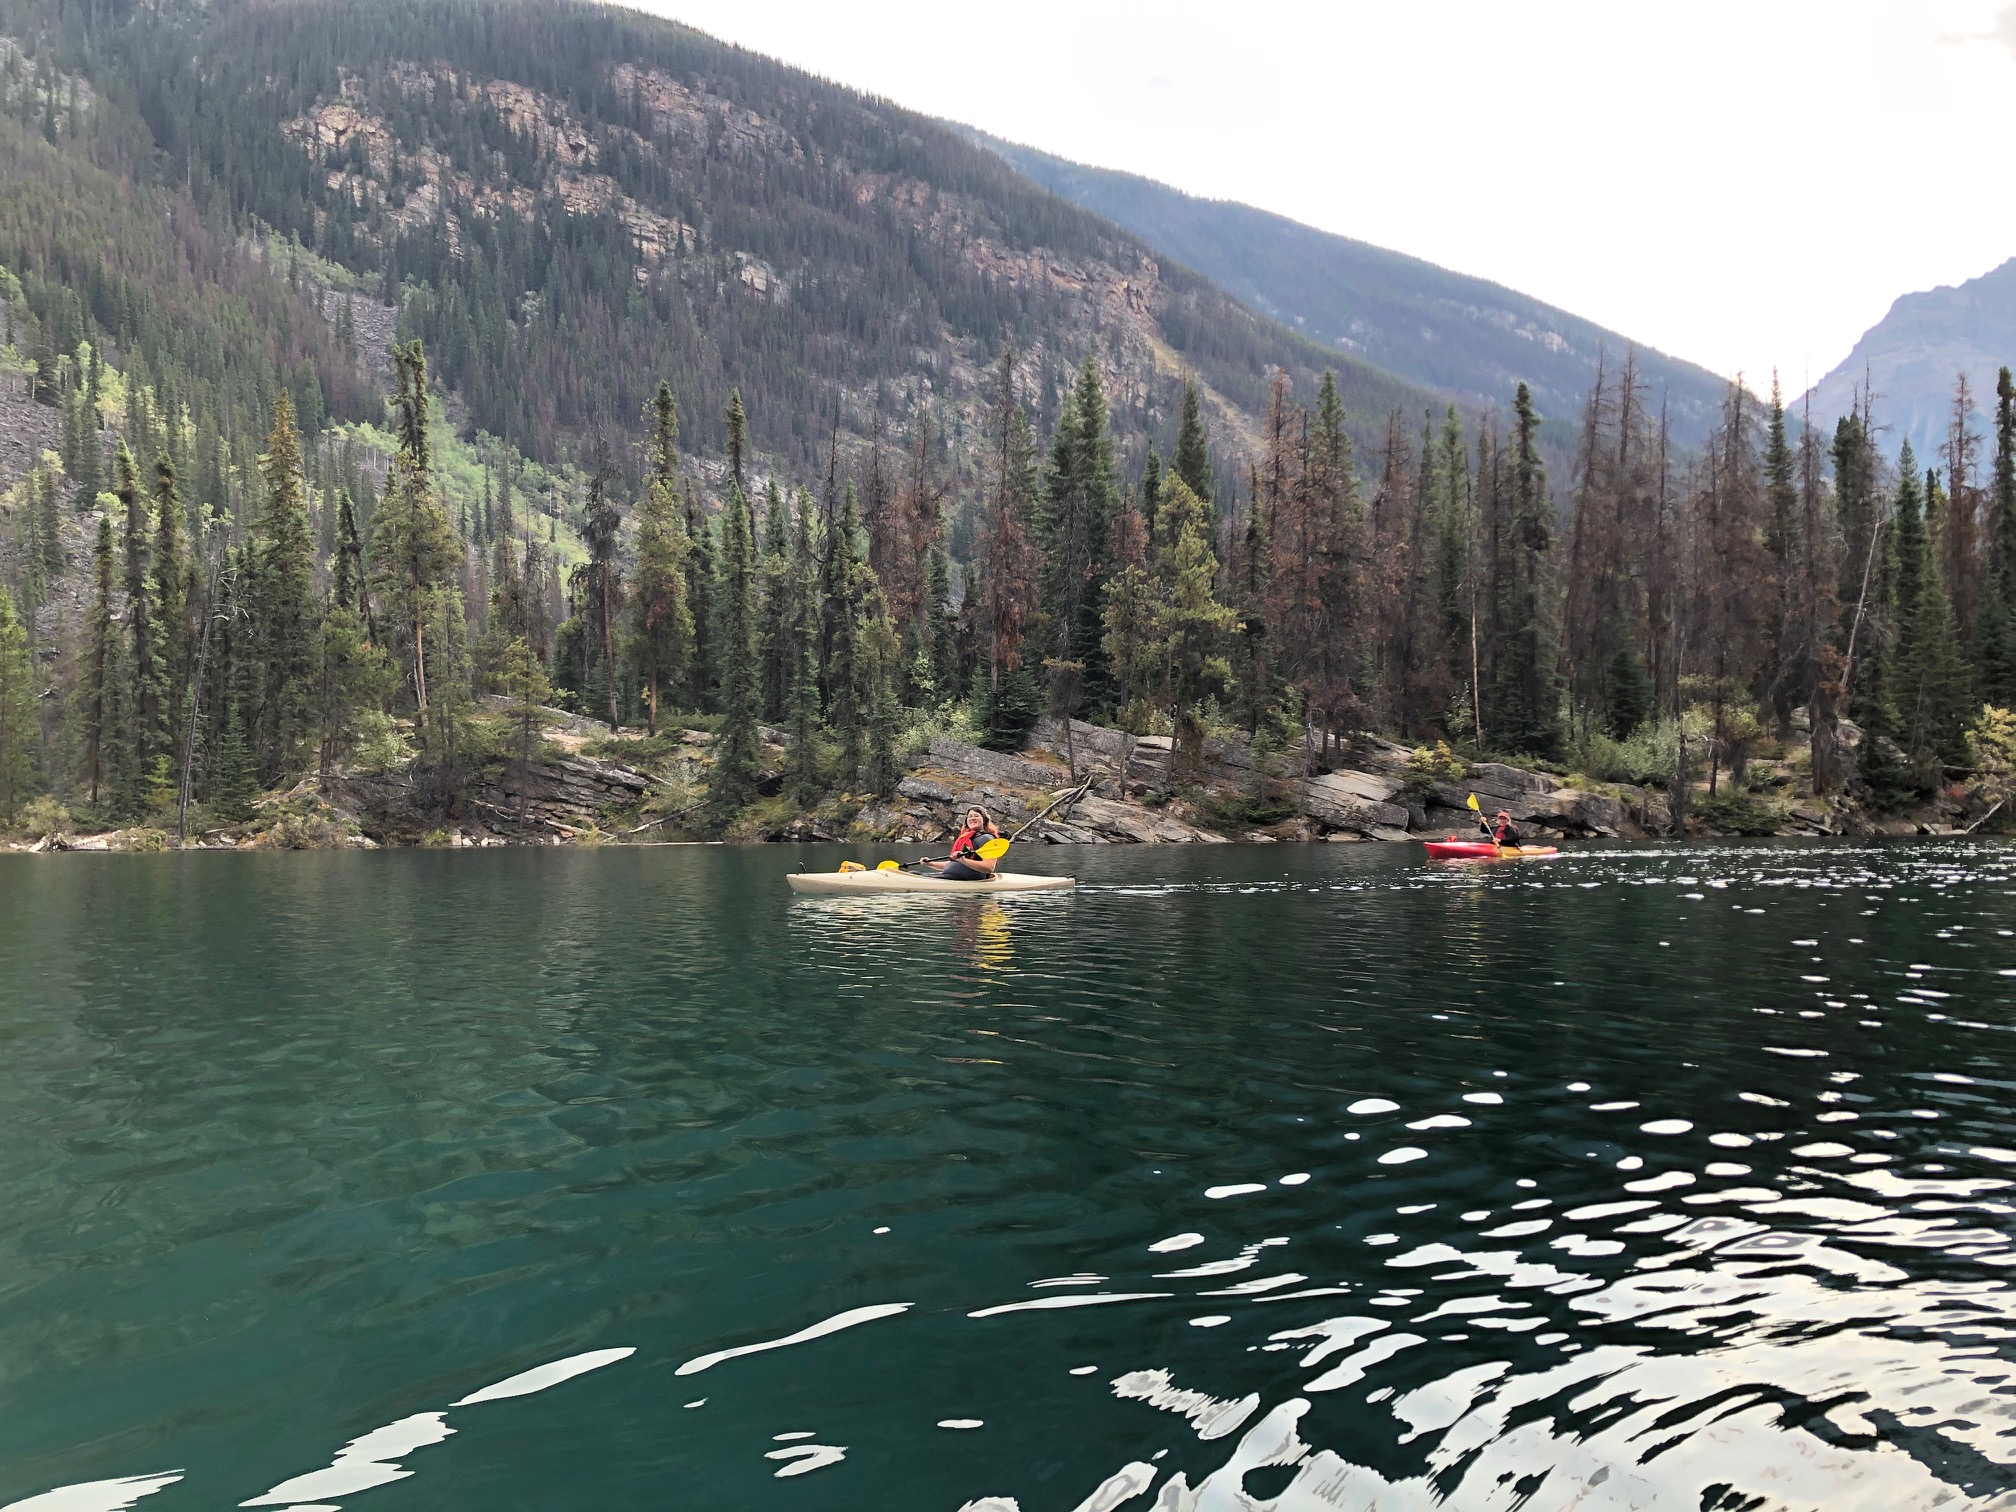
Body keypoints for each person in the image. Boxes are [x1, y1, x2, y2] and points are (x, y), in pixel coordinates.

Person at [934, 806, 1002, 880]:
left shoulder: (987, 839)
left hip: (973, 879)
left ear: (984, 820)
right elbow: (956, 864)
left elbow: (989, 867)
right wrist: (930, 864)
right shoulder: (969, 839)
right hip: (955, 876)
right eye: (970, 816)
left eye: (976, 816)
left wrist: (964, 860)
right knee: (920, 874)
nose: (972, 818)